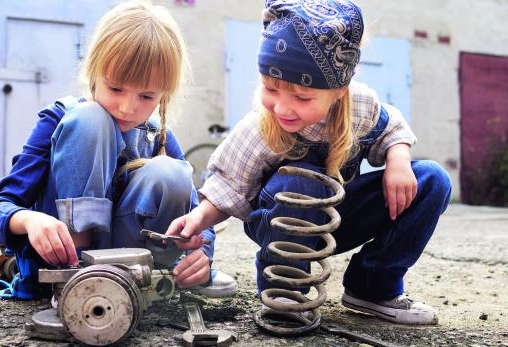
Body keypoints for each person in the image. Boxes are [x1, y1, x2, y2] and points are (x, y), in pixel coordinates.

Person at [166, 0, 452, 325]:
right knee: (303, 179)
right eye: (271, 89)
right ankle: (285, 292)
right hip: (282, 225)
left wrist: (398, 157)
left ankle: (373, 287)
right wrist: (196, 219)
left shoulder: (359, 106)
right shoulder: (259, 127)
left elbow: (392, 126)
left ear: (339, 91)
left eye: (302, 97)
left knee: (434, 180)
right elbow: (226, 187)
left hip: (336, 218)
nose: (284, 108)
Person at [0, 0, 236, 300]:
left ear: (164, 94)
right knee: (91, 120)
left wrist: (201, 254)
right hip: (63, 262)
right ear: (94, 72)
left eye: (146, 96)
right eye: (116, 89)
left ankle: (143, 282)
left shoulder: (158, 136)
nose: (128, 108)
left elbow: (197, 219)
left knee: (170, 172)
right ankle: (74, 278)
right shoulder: (60, 119)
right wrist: (30, 220)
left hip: (134, 269)